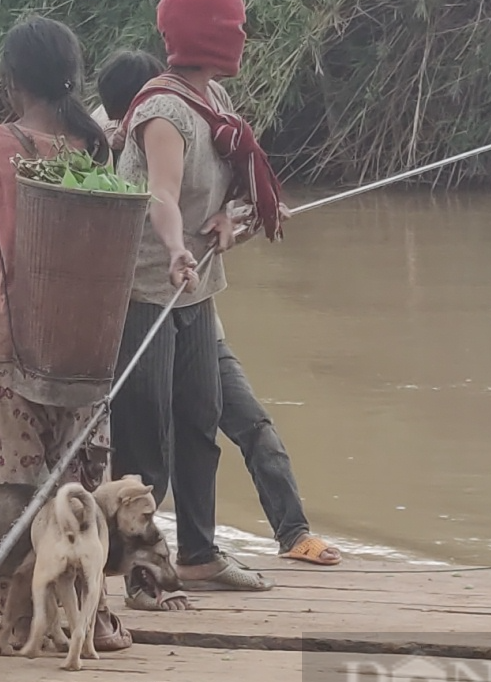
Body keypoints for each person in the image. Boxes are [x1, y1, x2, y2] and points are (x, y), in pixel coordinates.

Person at [95, 51, 343, 568]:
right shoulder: (111, 140)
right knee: (148, 443)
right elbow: (151, 205)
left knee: (245, 424)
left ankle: (290, 532)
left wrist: (242, 217)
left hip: (200, 312)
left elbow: (223, 210)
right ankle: (130, 562)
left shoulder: (204, 115)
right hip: (149, 311)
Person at [111, 0, 288, 597]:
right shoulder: (163, 111)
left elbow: (234, 197)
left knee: (199, 419)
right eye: (234, 26)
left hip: (197, 288)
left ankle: (199, 553)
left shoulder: (219, 107)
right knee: (143, 433)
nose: (242, 35)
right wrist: (177, 246)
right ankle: (137, 570)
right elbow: (159, 194)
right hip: (146, 290)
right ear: (209, 35)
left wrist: (232, 221)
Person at [0, 17, 131, 649]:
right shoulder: (96, 148)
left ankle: (16, 625)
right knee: (80, 486)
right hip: (83, 343)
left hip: (9, 339)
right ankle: (95, 619)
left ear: (9, 80)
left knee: (15, 490)